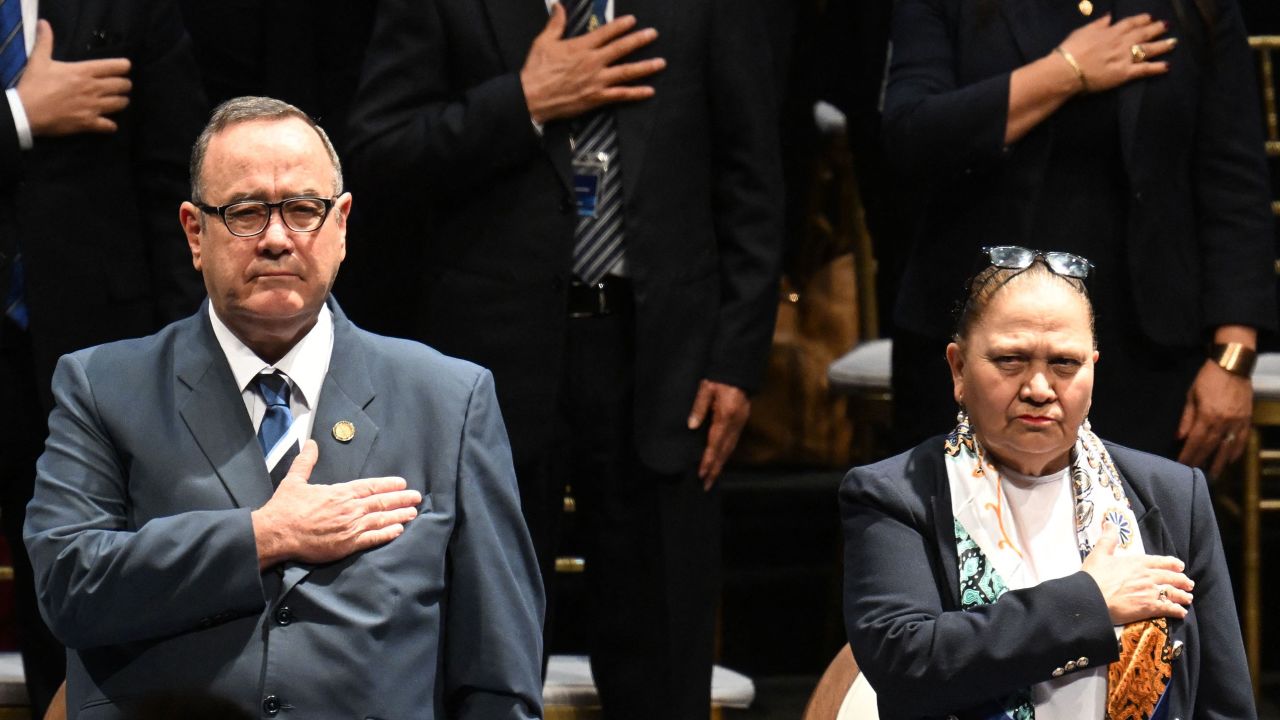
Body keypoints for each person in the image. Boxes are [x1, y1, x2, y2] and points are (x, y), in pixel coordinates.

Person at [24, 96, 545, 719]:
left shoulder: (450, 400)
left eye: (303, 210)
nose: (276, 238)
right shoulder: (101, 385)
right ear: (195, 232)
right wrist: (263, 535)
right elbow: (69, 584)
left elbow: (498, 676)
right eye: (245, 212)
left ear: (342, 225)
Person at [344, 1, 782, 716]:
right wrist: (523, 101)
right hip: (491, 362)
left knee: (664, 655)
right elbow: (378, 151)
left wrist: (737, 359)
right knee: (486, 651)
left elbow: (753, 179)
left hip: (665, 360)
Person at [841, 249, 1255, 719]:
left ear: (1093, 369)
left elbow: (1223, 704)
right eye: (1011, 359)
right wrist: (1089, 602)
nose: (1039, 387)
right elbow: (907, 664)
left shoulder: (1175, 493)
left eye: (1064, 364)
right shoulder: (894, 494)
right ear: (958, 369)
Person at [882, 0, 1277, 474]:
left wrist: (1232, 359)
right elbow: (910, 135)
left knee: (1141, 542)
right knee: (964, 542)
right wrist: (1065, 72)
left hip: (1147, 354)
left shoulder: (1196, 8)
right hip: (983, 349)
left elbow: (1233, 184)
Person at [1, 1, 207, 714]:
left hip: (95, 355)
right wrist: (17, 117)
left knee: (81, 593)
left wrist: (191, 355)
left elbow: (176, 187)